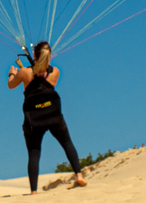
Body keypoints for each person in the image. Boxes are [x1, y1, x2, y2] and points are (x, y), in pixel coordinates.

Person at [7, 41, 87, 194]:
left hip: (34, 119)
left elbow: (11, 85)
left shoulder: (24, 73)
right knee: (66, 143)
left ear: (35, 55)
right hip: (53, 115)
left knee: (34, 152)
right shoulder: (55, 72)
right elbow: (41, 78)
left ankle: (34, 191)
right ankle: (79, 175)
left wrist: (12, 73)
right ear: (49, 56)